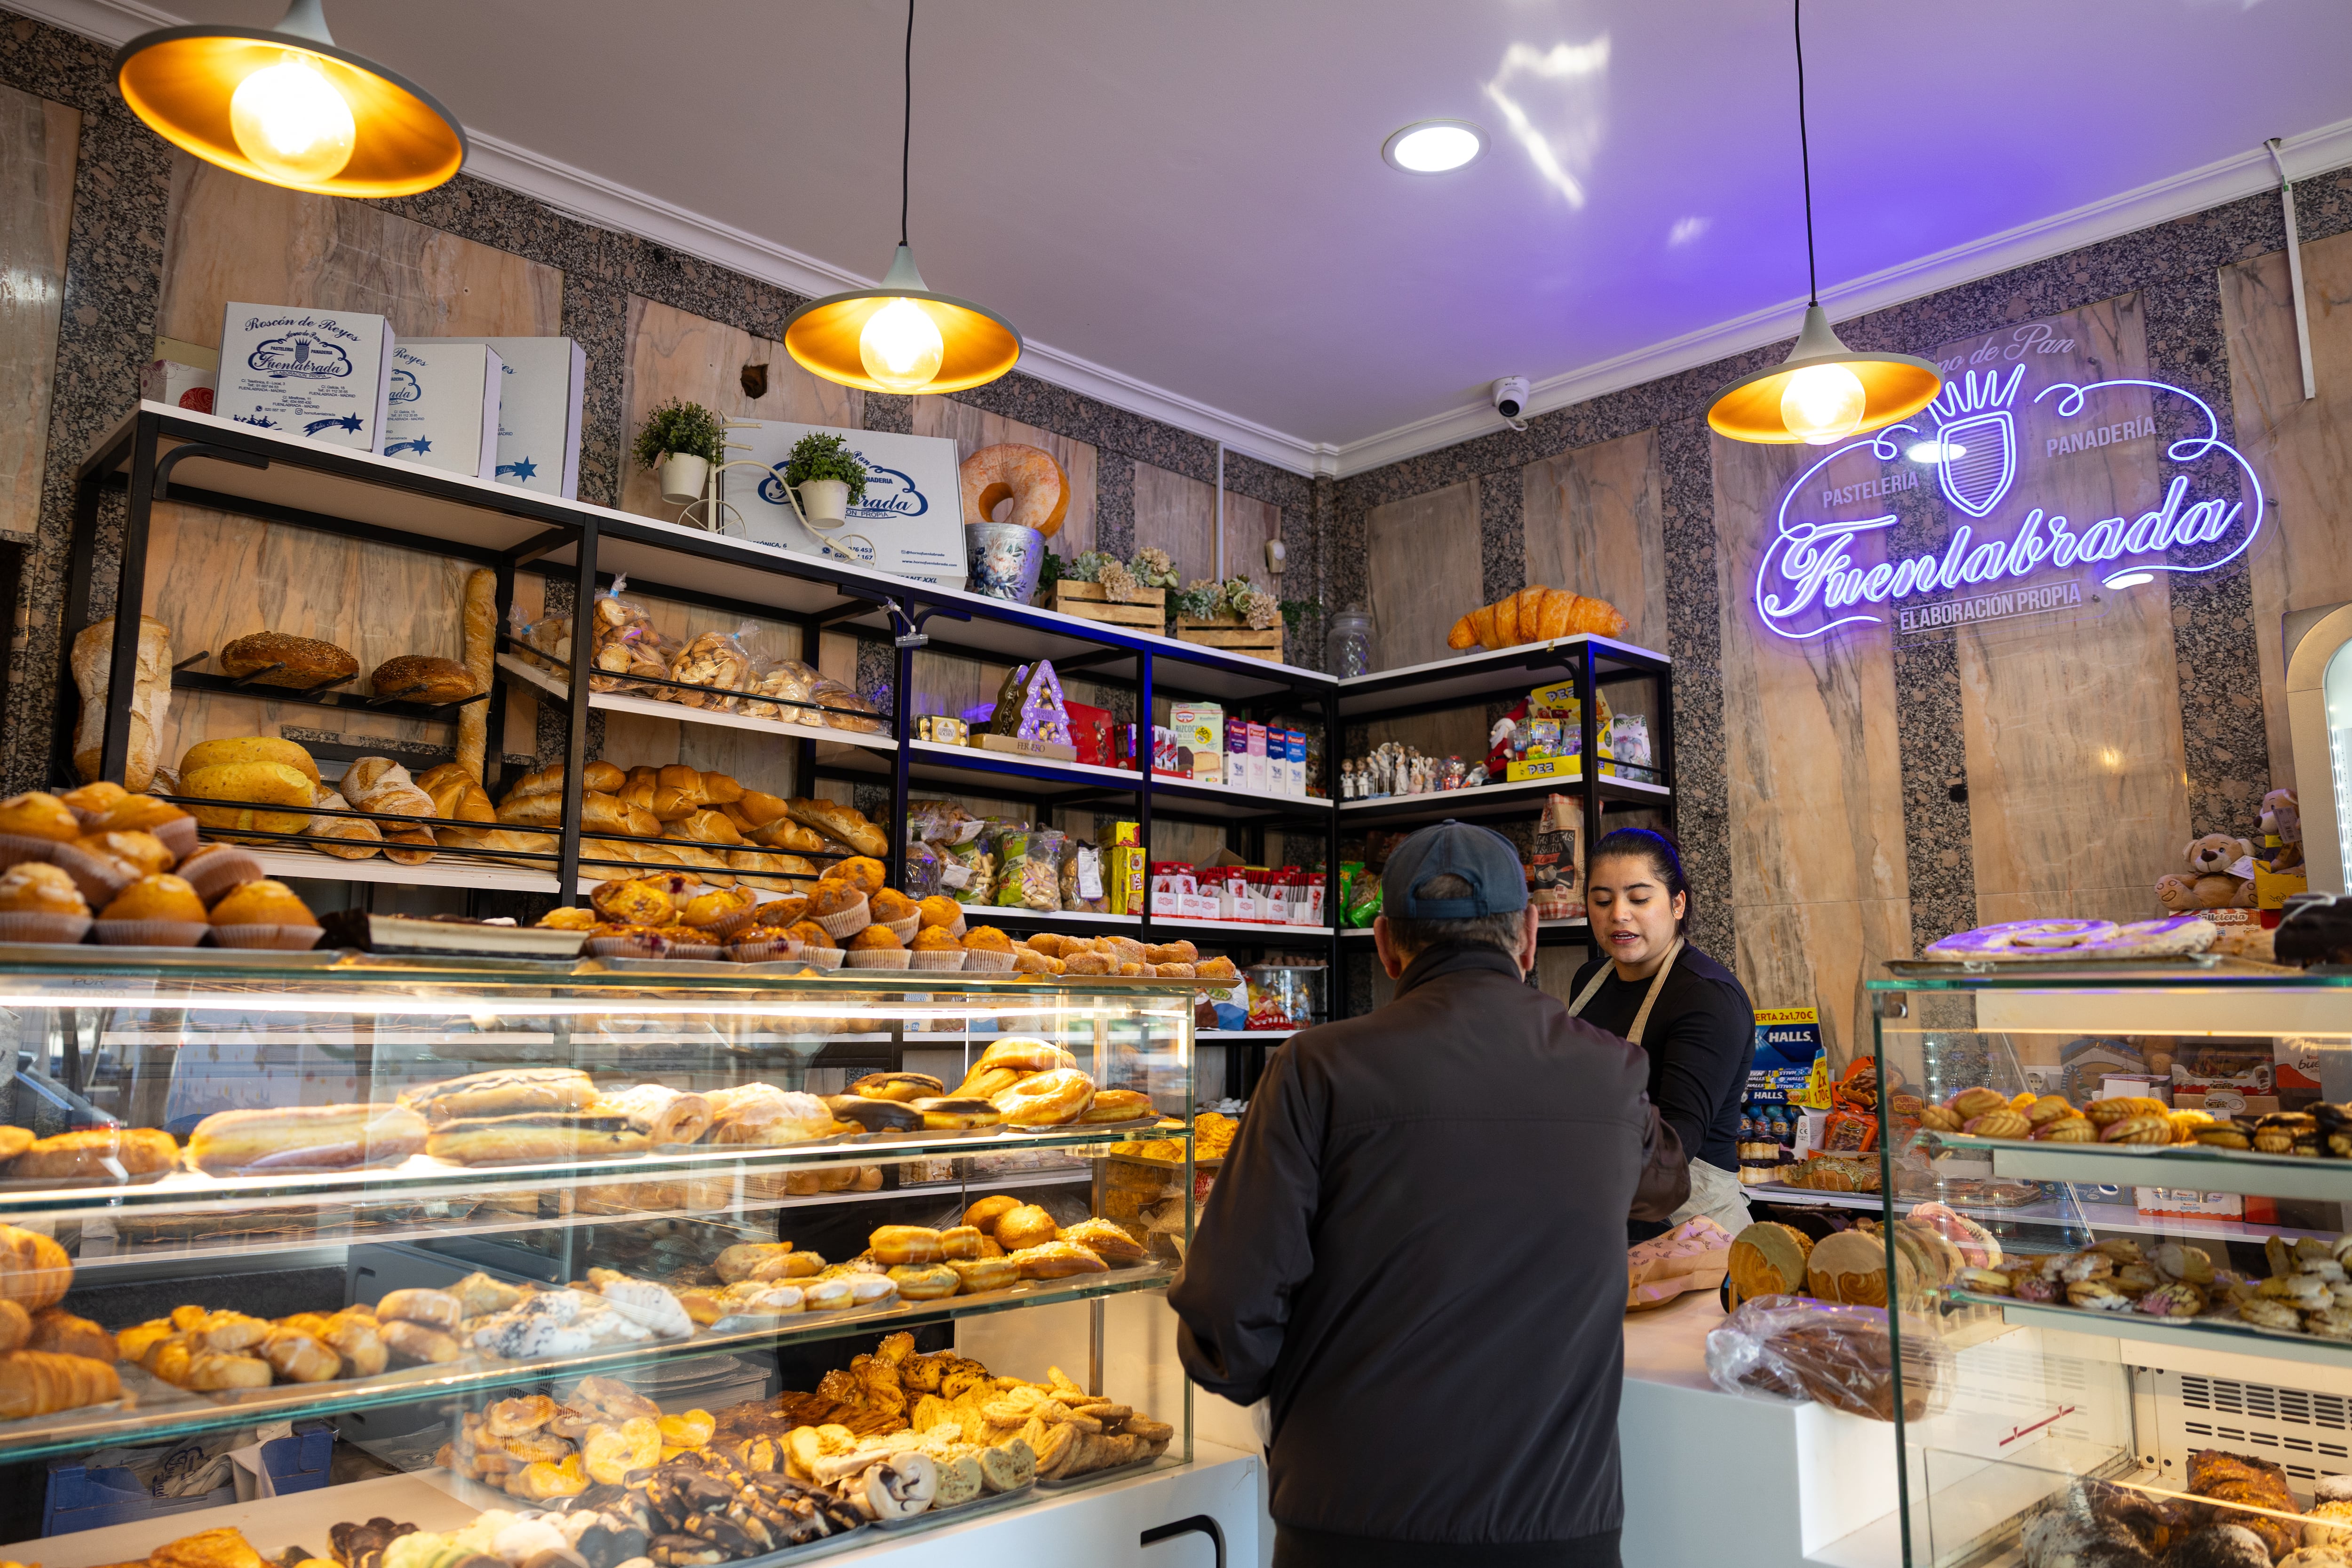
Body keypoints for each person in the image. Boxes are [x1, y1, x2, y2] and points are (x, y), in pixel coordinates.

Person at [1170, 819, 1689, 1568]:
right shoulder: (1611, 1070)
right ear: (1529, 935)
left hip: (1349, 1521)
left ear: (1385, 945)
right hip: (1560, 1531)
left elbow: (1228, 1318)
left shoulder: (1315, 1069)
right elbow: (1664, 1183)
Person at [1568, 827, 1756, 1239]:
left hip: (1691, 1225)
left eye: (1639, 898)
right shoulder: (1589, 980)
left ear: (1677, 904)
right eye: (1602, 900)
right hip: (1606, 1210)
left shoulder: (1708, 997)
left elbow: (1676, 1142)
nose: (1619, 914)